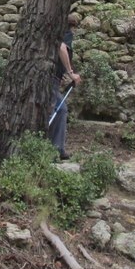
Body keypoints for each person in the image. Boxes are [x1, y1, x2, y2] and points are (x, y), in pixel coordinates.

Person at [49, 12, 82, 160]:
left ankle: (55, 148)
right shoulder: (66, 34)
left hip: (52, 78)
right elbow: (62, 48)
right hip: (50, 80)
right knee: (60, 110)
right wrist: (70, 73)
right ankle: (55, 150)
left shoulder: (54, 32)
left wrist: (61, 74)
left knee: (58, 110)